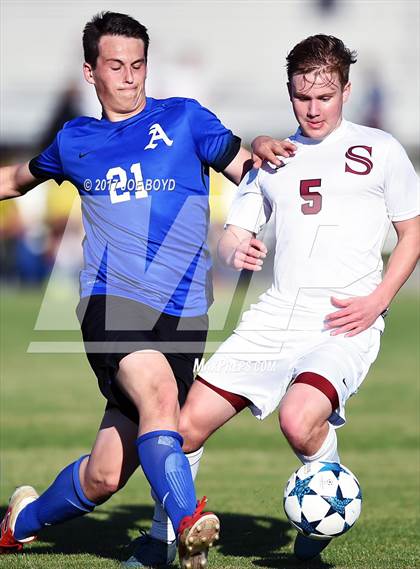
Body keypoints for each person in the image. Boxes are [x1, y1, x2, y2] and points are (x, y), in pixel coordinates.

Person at [0, 11, 294, 569]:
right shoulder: (75, 139)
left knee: (105, 475)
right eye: (116, 66)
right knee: (160, 395)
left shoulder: (184, 120)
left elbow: (250, 169)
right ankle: (187, 524)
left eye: (138, 66)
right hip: (111, 303)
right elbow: (16, 180)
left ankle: (19, 523)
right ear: (91, 72)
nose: (130, 78)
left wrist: (257, 159)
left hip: (184, 316)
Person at [176, 34, 419, 562]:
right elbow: (233, 233)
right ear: (290, 91)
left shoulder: (381, 150)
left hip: (342, 320)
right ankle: (169, 537)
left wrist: (378, 300)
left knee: (298, 417)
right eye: (302, 97)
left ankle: (324, 505)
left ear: (346, 91)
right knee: (185, 426)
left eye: (324, 97)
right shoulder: (272, 159)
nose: (313, 109)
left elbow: (413, 233)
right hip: (275, 313)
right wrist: (235, 247)